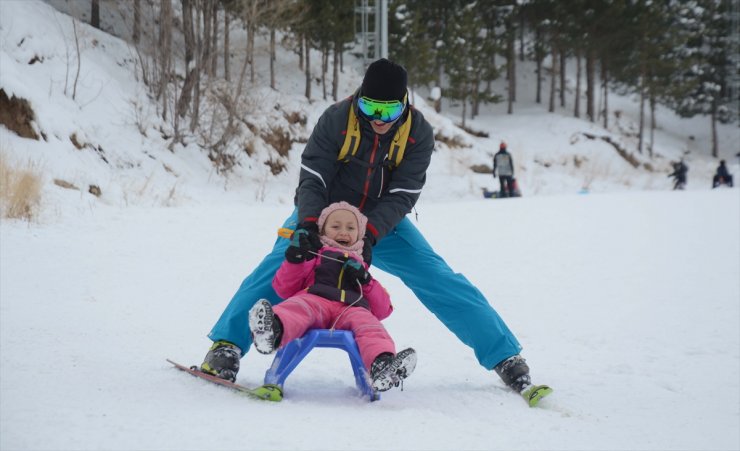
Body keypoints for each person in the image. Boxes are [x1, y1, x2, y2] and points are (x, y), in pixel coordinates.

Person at [201, 58, 548, 403]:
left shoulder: (418, 133)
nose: (378, 119)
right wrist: (308, 225)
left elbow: (403, 194)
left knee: (437, 276)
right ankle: (227, 346)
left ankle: (505, 356)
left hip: (381, 223)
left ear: (404, 105)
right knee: (281, 261)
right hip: (326, 214)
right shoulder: (337, 119)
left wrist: (369, 236)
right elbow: (314, 177)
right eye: (370, 107)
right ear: (358, 100)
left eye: (388, 111)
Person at [248, 201, 416, 392]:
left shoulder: (362, 265)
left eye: (351, 227)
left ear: (360, 234)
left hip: (351, 309)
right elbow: (284, 288)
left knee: (370, 325)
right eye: (335, 226)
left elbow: (383, 309)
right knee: (297, 307)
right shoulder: (314, 255)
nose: (343, 232)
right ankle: (272, 331)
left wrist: (366, 279)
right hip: (315, 301)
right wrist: (295, 259)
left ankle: (382, 365)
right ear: (322, 231)